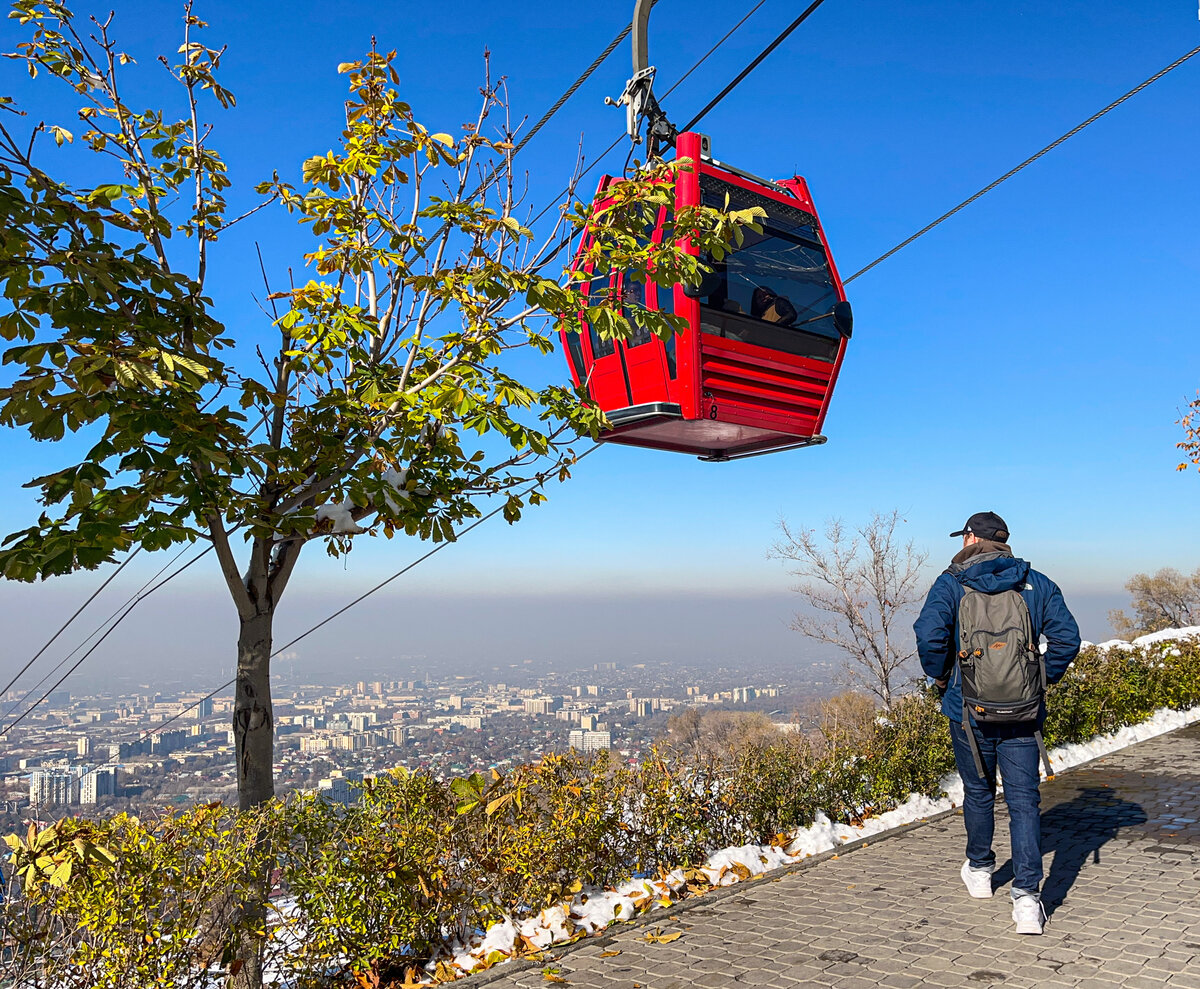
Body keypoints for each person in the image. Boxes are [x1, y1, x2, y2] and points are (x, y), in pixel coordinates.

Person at [913, 511, 1080, 935]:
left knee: (979, 792)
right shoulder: (1034, 582)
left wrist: (945, 676)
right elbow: (1067, 638)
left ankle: (981, 871)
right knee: (1024, 801)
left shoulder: (951, 581)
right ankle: (1027, 901)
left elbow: (929, 634)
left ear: (971, 538)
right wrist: (1039, 680)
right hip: (1023, 711)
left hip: (968, 709)